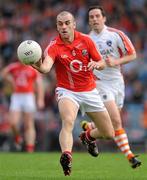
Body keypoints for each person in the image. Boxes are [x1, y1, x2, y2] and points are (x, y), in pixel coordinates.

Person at [31, 11, 114, 176]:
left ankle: (88, 136)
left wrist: (96, 64)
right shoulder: (53, 46)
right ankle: (67, 155)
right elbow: (46, 67)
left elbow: (102, 63)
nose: (63, 26)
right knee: (67, 121)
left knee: (109, 133)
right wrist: (37, 65)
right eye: (60, 23)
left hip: (89, 91)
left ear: (74, 24)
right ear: (56, 26)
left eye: (67, 23)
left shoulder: (86, 40)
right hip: (67, 91)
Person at [80, 6, 141, 168]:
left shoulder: (116, 34)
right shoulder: (86, 40)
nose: (94, 19)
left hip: (117, 83)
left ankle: (89, 132)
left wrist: (116, 62)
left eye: (97, 16)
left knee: (109, 127)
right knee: (116, 121)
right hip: (99, 84)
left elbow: (132, 54)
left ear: (104, 18)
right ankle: (130, 157)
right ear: (89, 20)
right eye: (91, 17)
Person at [1, 61, 45, 152]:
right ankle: (17, 137)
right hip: (17, 96)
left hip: (28, 96)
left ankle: (30, 149)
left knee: (29, 124)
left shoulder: (33, 68)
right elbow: (3, 73)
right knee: (12, 122)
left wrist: (40, 99)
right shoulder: (14, 66)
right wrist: (11, 80)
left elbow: (39, 84)